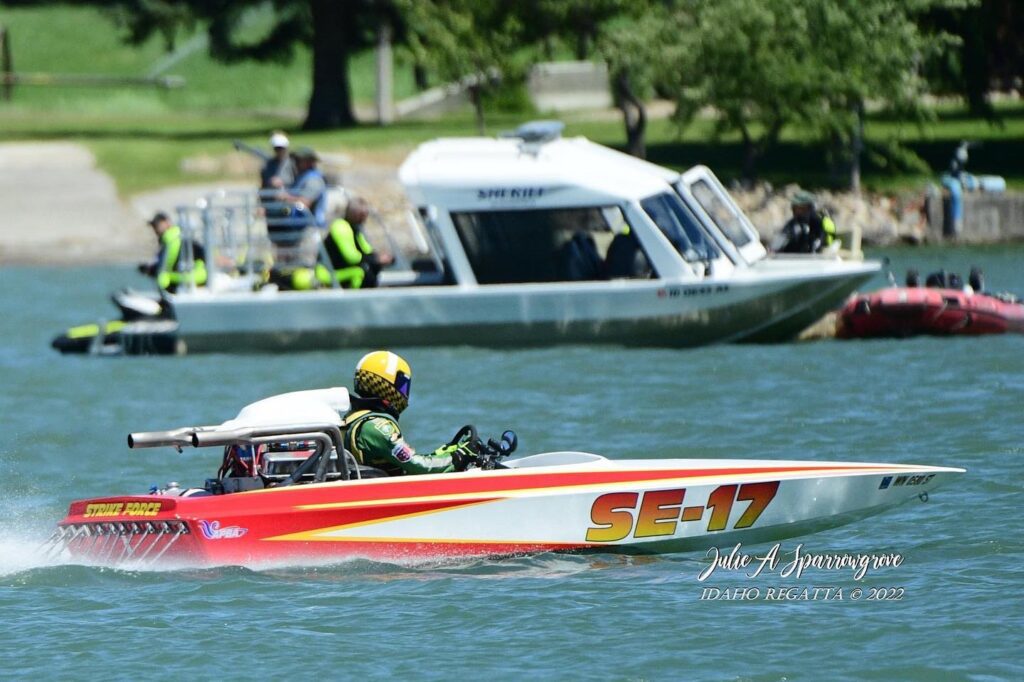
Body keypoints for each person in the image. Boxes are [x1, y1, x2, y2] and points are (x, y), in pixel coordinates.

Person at [343, 351, 478, 476]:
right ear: (385, 385)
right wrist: (458, 458)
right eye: (402, 385)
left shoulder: (353, 416)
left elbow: (407, 459)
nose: (404, 392)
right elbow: (417, 465)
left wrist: (445, 453)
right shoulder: (377, 426)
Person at [137, 212, 207, 293]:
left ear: (167, 223)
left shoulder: (173, 239)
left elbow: (165, 265)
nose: (155, 229)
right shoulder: (173, 239)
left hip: (191, 281)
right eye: (154, 226)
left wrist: (151, 269)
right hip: (189, 280)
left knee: (165, 278)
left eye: (157, 225)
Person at [279, 146, 327, 228]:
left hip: (311, 229)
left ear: (309, 162)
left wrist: (286, 197)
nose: (296, 163)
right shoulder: (301, 177)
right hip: (297, 227)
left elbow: (304, 203)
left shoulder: (313, 179)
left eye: (299, 160)